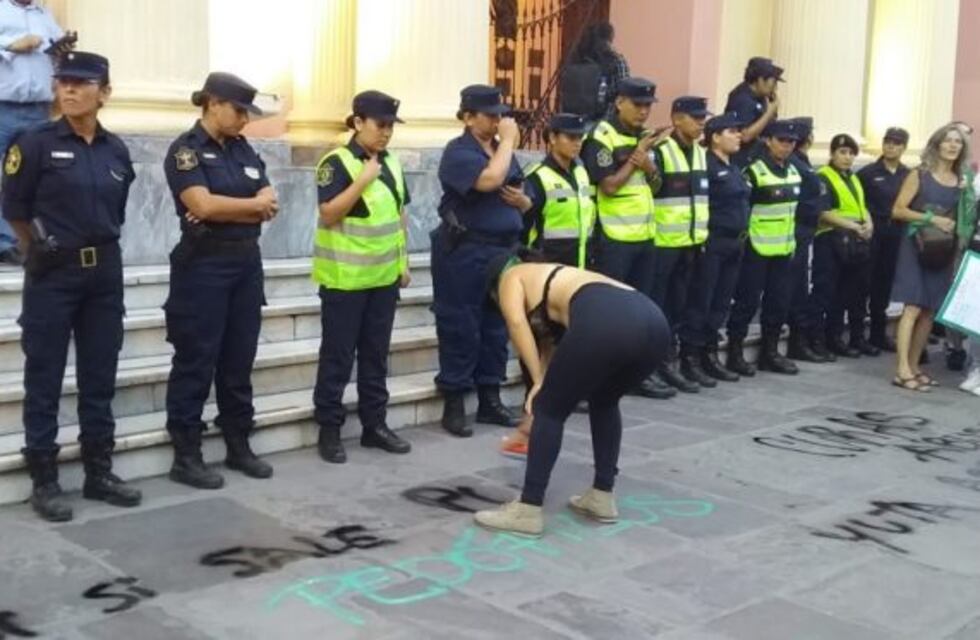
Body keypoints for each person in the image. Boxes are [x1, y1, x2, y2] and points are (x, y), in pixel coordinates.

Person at [2, 51, 139, 521]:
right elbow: (15, 208)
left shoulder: (116, 150)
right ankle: (45, 479)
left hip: (104, 274)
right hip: (53, 275)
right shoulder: (34, 142)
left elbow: (116, 211)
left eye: (82, 83)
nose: (70, 90)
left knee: (99, 376)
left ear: (105, 92)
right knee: (45, 377)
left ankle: (99, 471)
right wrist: (37, 250)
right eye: (64, 82)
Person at [473, 253, 669, 537]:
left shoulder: (511, 276)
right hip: (653, 323)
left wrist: (539, 387)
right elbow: (552, 353)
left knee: (550, 410)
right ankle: (602, 496)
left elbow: (517, 323)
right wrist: (539, 393)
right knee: (604, 400)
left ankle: (527, 510)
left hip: (609, 322)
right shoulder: (551, 280)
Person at [162, 72, 277, 488]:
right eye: (239, 109)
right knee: (196, 359)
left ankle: (238, 442)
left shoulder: (243, 149)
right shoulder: (186, 151)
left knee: (238, 359)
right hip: (204, 265)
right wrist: (249, 206)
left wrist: (237, 207)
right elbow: (202, 205)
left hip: (246, 263)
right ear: (212, 103)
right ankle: (186, 453)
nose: (245, 119)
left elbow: (271, 199)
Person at [311, 90, 412, 464]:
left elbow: (400, 215)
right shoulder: (336, 163)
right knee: (337, 358)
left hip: (384, 279)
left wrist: (404, 262)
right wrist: (363, 180)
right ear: (357, 123)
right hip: (345, 280)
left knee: (375, 357)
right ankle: (330, 429)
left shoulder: (394, 163)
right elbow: (328, 213)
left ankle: (375, 425)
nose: (386, 133)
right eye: (380, 125)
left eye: (390, 127)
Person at [431, 85, 524, 438]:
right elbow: (489, 180)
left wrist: (524, 203)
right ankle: (455, 402)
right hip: (466, 250)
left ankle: (490, 398)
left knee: (496, 326)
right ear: (468, 117)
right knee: (460, 325)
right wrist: (510, 143)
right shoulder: (459, 152)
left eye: (500, 114)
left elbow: (517, 187)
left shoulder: (500, 149)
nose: (498, 120)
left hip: (502, 249)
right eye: (490, 114)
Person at [506, 113, 594, 457]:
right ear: (551, 138)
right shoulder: (537, 178)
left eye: (579, 137)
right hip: (544, 276)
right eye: (569, 137)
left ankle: (555, 399)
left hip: (577, 273)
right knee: (541, 343)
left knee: (564, 342)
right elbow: (524, 220)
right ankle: (535, 406)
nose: (576, 143)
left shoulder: (582, 172)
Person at [581, 76, 673, 399]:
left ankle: (634, 375)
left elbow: (658, 185)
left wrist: (648, 166)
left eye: (648, 106)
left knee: (640, 312)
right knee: (610, 314)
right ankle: (599, 378)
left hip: (645, 236)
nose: (644, 112)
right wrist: (638, 158)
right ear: (619, 102)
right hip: (614, 237)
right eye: (638, 105)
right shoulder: (601, 137)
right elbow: (608, 185)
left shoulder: (646, 138)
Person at [890, 123, 969, 391]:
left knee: (929, 310)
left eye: (957, 142)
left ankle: (914, 366)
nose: (952, 145)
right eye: (947, 140)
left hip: (943, 250)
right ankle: (901, 369)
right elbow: (898, 210)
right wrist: (930, 218)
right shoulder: (919, 175)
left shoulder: (961, 181)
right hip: (916, 245)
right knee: (912, 307)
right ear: (937, 145)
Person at [0, 0, 75, 265]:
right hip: (3, 106)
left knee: (30, 174)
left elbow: (56, 56)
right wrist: (10, 46)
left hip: (37, 109)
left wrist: (62, 47)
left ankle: (27, 241)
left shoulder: (44, 15)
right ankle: (3, 241)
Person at [725, 120, 802, 376]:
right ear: (768, 140)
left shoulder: (793, 171)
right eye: (782, 140)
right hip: (756, 249)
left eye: (791, 142)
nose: (787, 146)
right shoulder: (755, 172)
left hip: (783, 249)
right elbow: (744, 209)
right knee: (747, 302)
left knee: (778, 303)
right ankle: (735, 352)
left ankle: (770, 352)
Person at [679, 111, 750, 383]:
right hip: (714, 241)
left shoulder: (733, 166)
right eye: (732, 132)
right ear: (715, 137)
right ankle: (690, 357)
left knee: (720, 302)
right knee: (702, 300)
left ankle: (709, 353)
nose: (738, 136)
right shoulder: (706, 165)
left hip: (735, 242)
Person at [648, 96, 710, 392]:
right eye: (695, 118)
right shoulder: (661, 152)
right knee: (660, 308)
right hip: (664, 243)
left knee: (679, 307)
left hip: (691, 242)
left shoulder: (699, 153)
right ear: (676, 119)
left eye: (703, 118)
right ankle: (657, 364)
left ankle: (672, 362)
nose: (701, 124)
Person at [807, 134, 877, 360]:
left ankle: (834, 338)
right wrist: (854, 227)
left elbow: (861, 206)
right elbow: (823, 212)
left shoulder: (852, 178)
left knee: (843, 294)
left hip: (852, 243)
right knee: (823, 293)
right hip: (830, 241)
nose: (847, 158)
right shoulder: (823, 177)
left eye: (851, 153)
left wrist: (868, 223)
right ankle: (816, 340)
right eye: (842, 152)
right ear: (832, 154)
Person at [857, 127, 911, 352]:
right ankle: (857, 335)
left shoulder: (908, 175)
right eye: (888, 142)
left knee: (884, 285)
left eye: (896, 143)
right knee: (863, 284)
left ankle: (878, 335)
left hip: (896, 235)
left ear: (903, 147)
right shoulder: (868, 172)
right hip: (873, 232)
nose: (891, 146)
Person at [785, 116, 832, 363]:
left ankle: (799, 340)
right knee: (796, 288)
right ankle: (796, 342)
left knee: (799, 287)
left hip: (804, 229)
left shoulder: (801, 162)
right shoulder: (797, 164)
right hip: (797, 230)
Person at [943, 120, 979, 371]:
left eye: (965, 138)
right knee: (954, 295)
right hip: (950, 241)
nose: (959, 143)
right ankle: (954, 346)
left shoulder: (969, 174)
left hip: (966, 241)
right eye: (955, 138)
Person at [724, 57, 783, 168]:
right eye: (773, 82)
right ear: (760, 80)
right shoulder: (742, 98)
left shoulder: (761, 97)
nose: (775, 88)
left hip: (758, 157)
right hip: (742, 160)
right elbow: (745, 135)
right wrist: (769, 112)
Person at [569, 22, 630, 119]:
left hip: (576, 121)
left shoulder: (577, 58)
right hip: (605, 120)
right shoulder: (616, 59)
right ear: (610, 37)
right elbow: (625, 91)